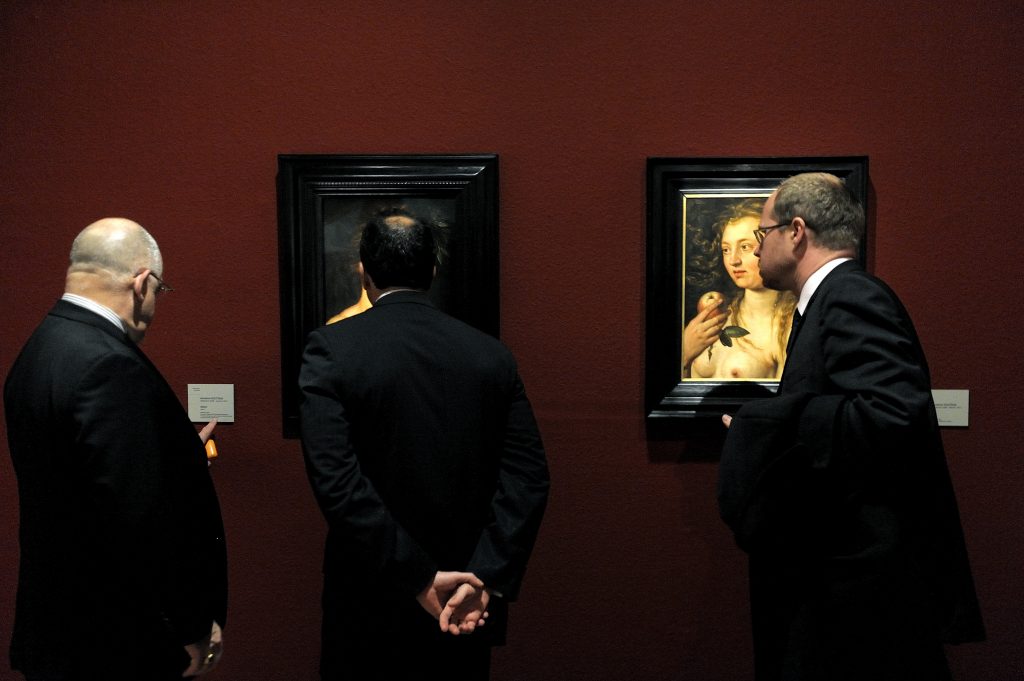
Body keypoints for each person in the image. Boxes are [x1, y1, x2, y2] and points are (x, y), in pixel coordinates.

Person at [717, 174, 984, 680]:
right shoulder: (831, 298)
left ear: (796, 232)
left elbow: (892, 412)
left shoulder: (849, 295)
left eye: (762, 234)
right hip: (849, 585)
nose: (756, 249)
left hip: (860, 594)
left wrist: (766, 426)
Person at [299, 207, 550, 681]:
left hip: (368, 595)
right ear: (433, 270)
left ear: (364, 272)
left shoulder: (331, 349)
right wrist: (487, 575)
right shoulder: (490, 355)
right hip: (464, 596)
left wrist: (417, 576)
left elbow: (337, 481)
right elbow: (528, 477)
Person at [4, 218, 227, 681]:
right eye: (160, 290)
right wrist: (187, 625)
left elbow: (80, 476)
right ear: (142, 282)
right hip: (115, 639)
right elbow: (139, 520)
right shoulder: (108, 364)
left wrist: (175, 455)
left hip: (58, 626)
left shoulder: (40, 348)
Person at [683, 198, 796, 379]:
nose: (733, 260)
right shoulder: (715, 314)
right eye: (726, 250)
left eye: (745, 247)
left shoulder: (788, 327)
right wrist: (684, 353)